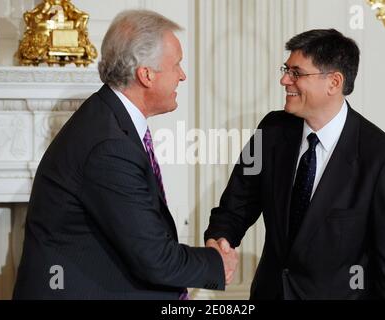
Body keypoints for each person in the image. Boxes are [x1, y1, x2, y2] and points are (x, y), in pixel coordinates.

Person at [13, 9, 237, 300]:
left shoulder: (109, 120)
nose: (182, 75)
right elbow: (154, 257)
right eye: (177, 65)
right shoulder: (109, 145)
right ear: (146, 74)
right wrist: (217, 263)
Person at [204, 29, 385, 299]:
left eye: (296, 73)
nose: (284, 80)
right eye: (286, 70)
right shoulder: (270, 131)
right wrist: (220, 240)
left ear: (334, 82)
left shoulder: (383, 160)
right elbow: (236, 205)